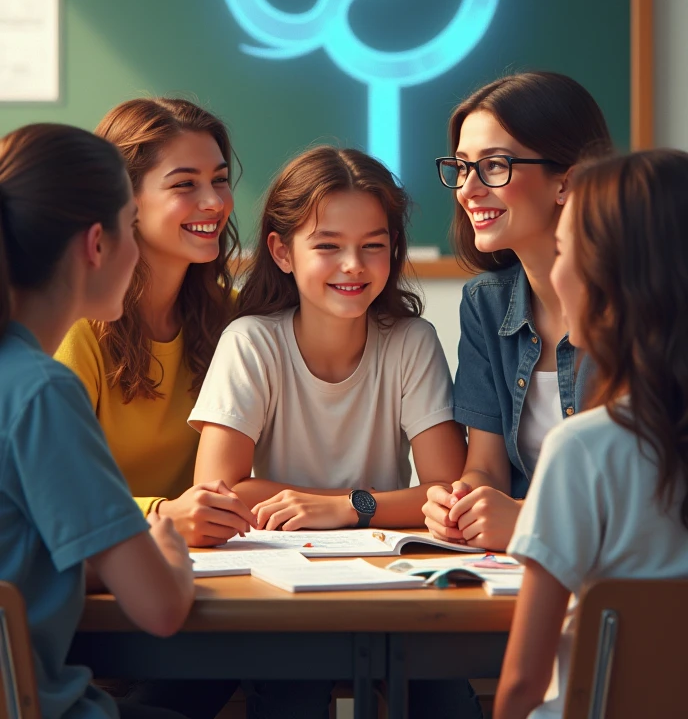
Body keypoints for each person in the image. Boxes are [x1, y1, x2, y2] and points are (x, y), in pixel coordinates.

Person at [190, 145, 476, 719]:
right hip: (272, 593)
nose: (354, 265)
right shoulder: (252, 342)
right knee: (291, 691)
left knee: (446, 700)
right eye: (328, 246)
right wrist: (374, 504)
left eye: (374, 245)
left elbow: (449, 496)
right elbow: (219, 498)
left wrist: (347, 508)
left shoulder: (411, 341)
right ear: (282, 251)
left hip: (387, 586)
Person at [0, 122, 196, 719]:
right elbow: (160, 609)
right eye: (131, 225)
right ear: (97, 244)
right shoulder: (42, 391)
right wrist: (173, 558)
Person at [494, 148, 688, 718]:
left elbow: (522, 686)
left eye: (562, 250)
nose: (553, 273)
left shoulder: (585, 448)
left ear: (609, 279)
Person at [423, 72, 612, 551]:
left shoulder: (646, 307)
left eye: (494, 166)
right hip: (521, 566)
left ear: (566, 182)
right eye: (462, 167)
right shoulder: (485, 303)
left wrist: (529, 519)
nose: (468, 189)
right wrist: (463, 502)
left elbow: (651, 497)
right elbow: (487, 466)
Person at [55, 98, 253, 547]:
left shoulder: (235, 318)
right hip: (102, 562)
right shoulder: (74, 325)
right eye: (185, 184)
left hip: (201, 562)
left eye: (219, 180)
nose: (214, 202)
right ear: (125, 200)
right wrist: (160, 513)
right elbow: (51, 490)